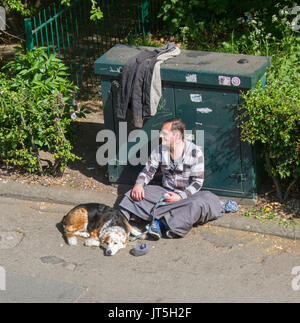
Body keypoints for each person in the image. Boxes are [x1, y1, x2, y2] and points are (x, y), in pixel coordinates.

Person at [118, 118, 222, 239]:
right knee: (133, 194)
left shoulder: (195, 152)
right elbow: (148, 171)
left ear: (177, 136)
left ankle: (160, 223)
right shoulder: (160, 150)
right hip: (165, 193)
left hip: (186, 197)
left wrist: (180, 196)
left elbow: (197, 182)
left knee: (198, 204)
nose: (161, 135)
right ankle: (121, 223)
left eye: (164, 133)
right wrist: (139, 184)